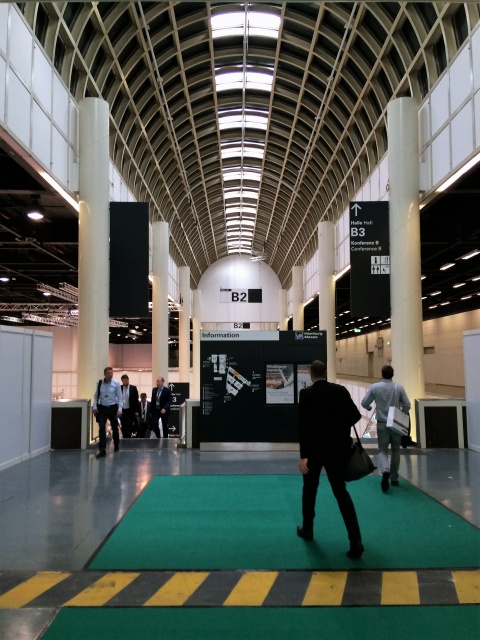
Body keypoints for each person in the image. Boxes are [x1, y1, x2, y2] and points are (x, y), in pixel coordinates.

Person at [297, 360, 364, 559]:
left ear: (311, 374)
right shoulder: (340, 391)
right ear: (325, 373)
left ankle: (308, 529)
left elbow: (303, 427)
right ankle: (356, 541)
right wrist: (339, 427)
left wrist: (303, 456)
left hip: (314, 452)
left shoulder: (306, 394)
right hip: (338, 451)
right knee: (341, 493)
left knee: (309, 491)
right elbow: (356, 416)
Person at [361, 364, 411, 492]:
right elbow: (407, 404)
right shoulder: (398, 387)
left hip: (382, 423)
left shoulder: (375, 387)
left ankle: (385, 470)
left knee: (382, 450)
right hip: (395, 424)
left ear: (382, 374)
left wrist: (369, 408)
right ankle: (394, 478)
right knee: (396, 450)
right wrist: (402, 414)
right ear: (392, 375)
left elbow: (364, 403)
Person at [93, 367, 123, 458]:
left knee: (114, 427)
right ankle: (102, 449)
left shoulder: (116, 383)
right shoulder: (100, 383)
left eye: (111, 373)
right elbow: (96, 396)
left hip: (113, 407)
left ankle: (116, 445)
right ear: (105, 374)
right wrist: (95, 406)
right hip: (103, 408)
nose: (110, 374)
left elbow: (120, 397)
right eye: (108, 373)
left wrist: (120, 409)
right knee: (102, 426)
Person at [119, 374, 139, 438]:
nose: (125, 382)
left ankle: (128, 437)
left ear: (128, 380)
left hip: (130, 410)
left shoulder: (133, 388)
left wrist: (136, 410)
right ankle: (125, 436)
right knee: (123, 424)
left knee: (129, 423)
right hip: (122, 410)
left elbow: (136, 400)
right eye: (123, 381)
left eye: (126, 381)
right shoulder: (120, 388)